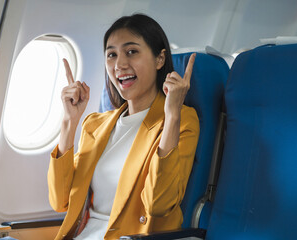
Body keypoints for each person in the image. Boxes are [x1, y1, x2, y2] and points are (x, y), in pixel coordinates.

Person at [47, 13, 200, 240]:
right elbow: (60, 201)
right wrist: (69, 121)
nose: (119, 64)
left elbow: (158, 204)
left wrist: (171, 116)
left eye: (132, 52)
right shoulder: (95, 125)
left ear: (159, 59)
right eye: (111, 55)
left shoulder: (182, 120)